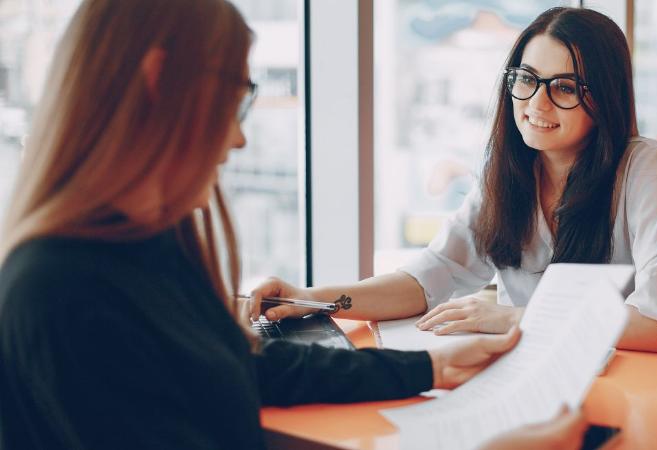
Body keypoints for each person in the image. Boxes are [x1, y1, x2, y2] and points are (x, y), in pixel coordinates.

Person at [0, 1, 586, 448]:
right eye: (235, 100)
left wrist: (429, 365)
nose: (238, 136)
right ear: (158, 82)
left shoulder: (143, 246)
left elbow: (242, 366)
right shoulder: (59, 293)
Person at [254, 7, 657, 354]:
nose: (535, 104)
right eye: (526, 79)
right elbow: (428, 278)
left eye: (563, 87)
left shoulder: (645, 169)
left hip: (623, 386)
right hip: (523, 378)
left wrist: (514, 317)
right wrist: (314, 299)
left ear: (604, 96)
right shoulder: (507, 169)